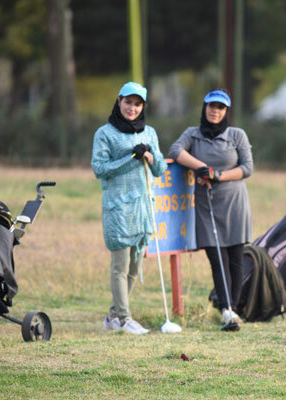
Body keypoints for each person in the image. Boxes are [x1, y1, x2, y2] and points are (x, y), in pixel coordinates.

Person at [168, 89, 253, 330]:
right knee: (217, 257)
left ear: (226, 111)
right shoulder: (192, 134)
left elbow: (247, 168)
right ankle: (227, 308)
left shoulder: (237, 135)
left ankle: (231, 309)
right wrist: (201, 167)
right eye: (211, 106)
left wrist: (218, 175)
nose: (215, 111)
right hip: (206, 205)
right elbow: (176, 150)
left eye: (220, 108)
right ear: (204, 108)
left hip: (234, 203)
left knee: (236, 257)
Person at [91, 81, 167, 335]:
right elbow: (100, 169)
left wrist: (150, 157)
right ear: (119, 101)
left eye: (137, 104)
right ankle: (124, 319)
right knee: (120, 266)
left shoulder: (150, 133)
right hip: (118, 209)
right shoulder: (105, 133)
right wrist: (130, 158)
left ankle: (113, 316)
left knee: (135, 267)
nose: (132, 108)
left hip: (143, 210)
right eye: (128, 102)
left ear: (143, 106)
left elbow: (160, 170)